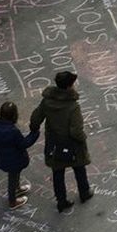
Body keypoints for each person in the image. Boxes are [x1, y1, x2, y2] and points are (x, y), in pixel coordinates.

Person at [30, 71, 93, 212]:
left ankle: (61, 200)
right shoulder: (73, 106)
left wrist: (34, 129)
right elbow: (76, 130)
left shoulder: (47, 102)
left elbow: (36, 118)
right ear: (69, 86)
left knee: (58, 173)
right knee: (79, 168)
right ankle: (84, 193)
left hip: (54, 144)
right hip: (72, 145)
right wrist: (83, 139)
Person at [0, 102, 39, 210]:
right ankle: (12, 201)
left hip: (2, 158)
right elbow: (24, 144)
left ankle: (18, 188)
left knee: (15, 175)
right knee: (12, 178)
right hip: (14, 160)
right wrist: (34, 134)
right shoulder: (13, 131)